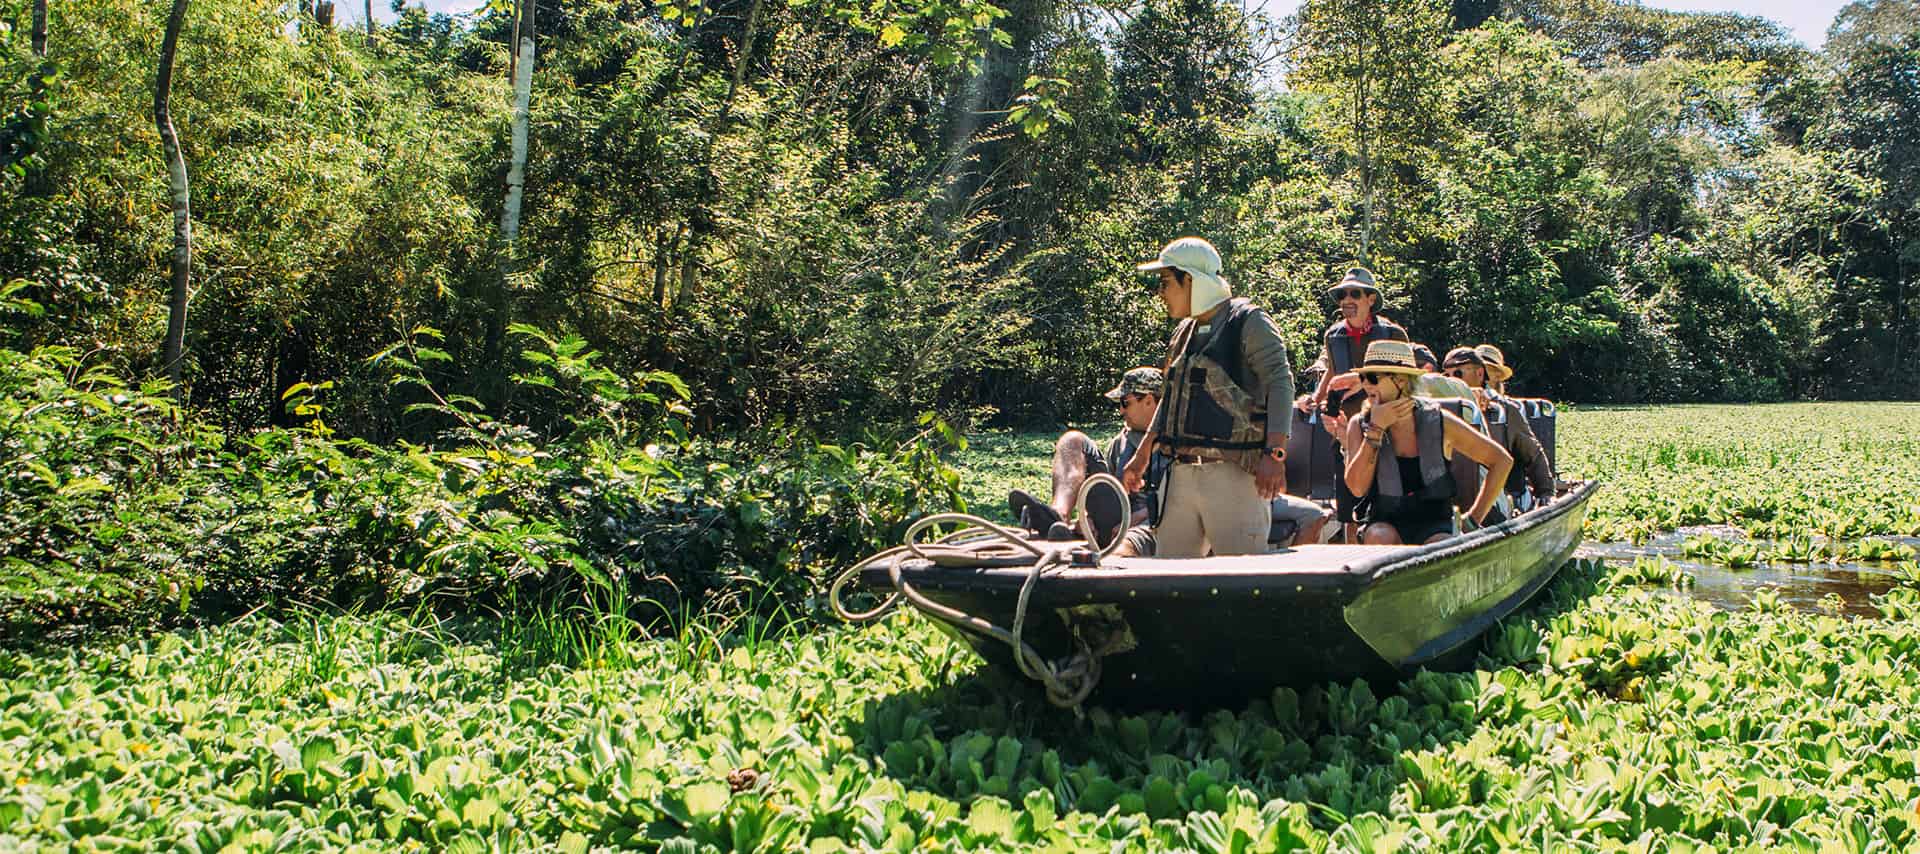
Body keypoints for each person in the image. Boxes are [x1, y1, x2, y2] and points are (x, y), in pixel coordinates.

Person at [1121, 237, 1296, 558]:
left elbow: (1280, 384)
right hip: (1181, 477)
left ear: (1190, 279)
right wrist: (1143, 454)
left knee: (1243, 583)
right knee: (1169, 584)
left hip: (1235, 477)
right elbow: (1173, 398)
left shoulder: (1249, 321)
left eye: (1165, 282)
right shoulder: (1183, 332)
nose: (1160, 293)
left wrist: (1275, 454)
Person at [1342, 340, 1514, 545]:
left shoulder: (1439, 421)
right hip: (1384, 521)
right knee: (1379, 536)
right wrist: (1376, 430)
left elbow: (1501, 461)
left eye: (1373, 378)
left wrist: (1473, 520)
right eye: (1363, 378)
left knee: (1439, 545)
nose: (1366, 385)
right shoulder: (1360, 425)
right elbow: (1357, 488)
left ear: (1401, 381)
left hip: (1435, 524)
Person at [1008, 366, 1167, 545]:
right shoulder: (1121, 442)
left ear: (1148, 400)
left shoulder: (1182, 443)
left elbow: (1187, 500)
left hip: (1157, 523)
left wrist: (1140, 515)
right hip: (1118, 518)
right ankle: (1058, 516)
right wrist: (1086, 517)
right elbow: (1106, 490)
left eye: (1125, 402)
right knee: (1072, 440)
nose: (1121, 411)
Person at [1443, 345, 1555, 521]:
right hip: (1455, 500)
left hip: (1502, 499)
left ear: (1480, 374)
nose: (1452, 381)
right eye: (1446, 377)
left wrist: (1546, 493)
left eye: (1458, 374)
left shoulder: (1505, 411)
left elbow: (1533, 454)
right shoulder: (1441, 410)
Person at [1297, 267, 1409, 417]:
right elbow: (1332, 371)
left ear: (1371, 299)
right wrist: (1313, 399)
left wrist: (1363, 379)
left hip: (1385, 420)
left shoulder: (1393, 334)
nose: (1347, 300)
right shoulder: (1333, 336)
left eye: (1355, 294)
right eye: (1342, 295)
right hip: (1344, 423)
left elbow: (1406, 380)